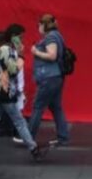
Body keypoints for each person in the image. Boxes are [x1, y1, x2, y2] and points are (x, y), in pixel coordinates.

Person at [0, 28, 46, 160]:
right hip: (5, 91)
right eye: (19, 38)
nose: (21, 41)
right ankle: (33, 148)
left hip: (1, 91)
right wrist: (21, 56)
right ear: (13, 38)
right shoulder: (6, 51)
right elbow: (13, 70)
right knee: (19, 122)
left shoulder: (5, 51)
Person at [28, 14, 71, 147]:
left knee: (38, 106)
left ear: (43, 25)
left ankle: (28, 137)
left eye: (39, 25)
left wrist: (36, 52)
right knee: (55, 107)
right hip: (55, 76)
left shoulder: (51, 36)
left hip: (49, 77)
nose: (38, 28)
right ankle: (63, 137)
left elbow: (52, 56)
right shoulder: (57, 35)